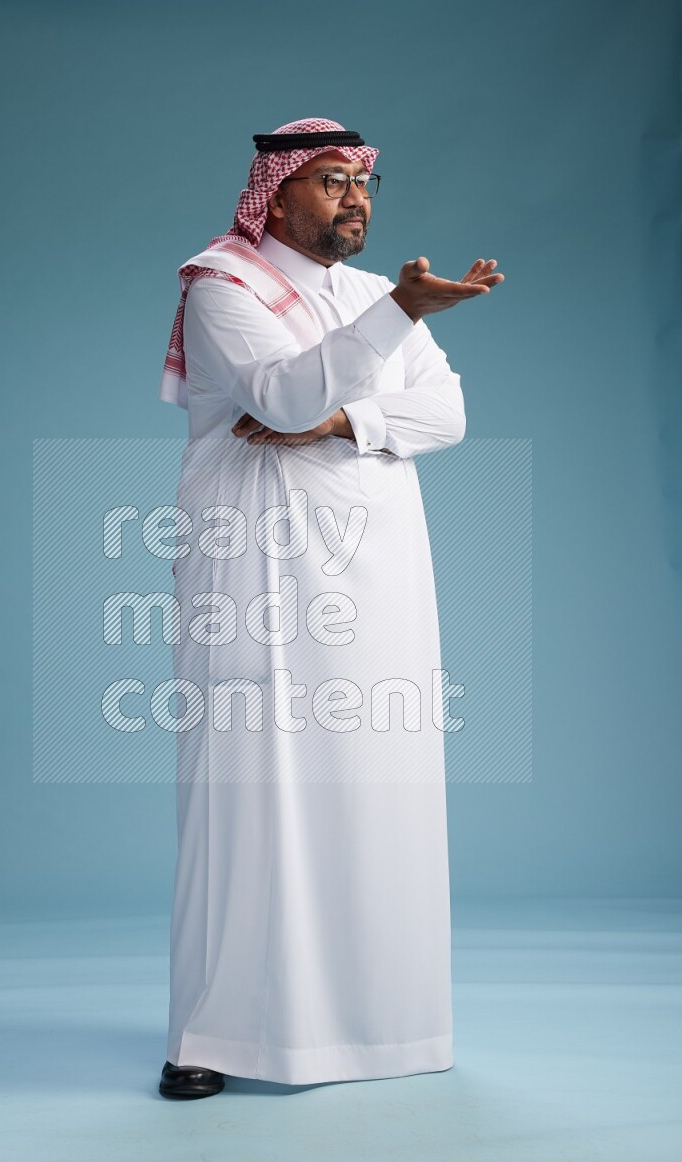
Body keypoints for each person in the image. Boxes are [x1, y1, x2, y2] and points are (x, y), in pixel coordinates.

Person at [156, 117, 504, 1100]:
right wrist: (389, 325)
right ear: (272, 189)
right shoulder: (221, 282)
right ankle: (211, 1034)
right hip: (254, 566)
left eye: (364, 182)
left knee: (374, 778)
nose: (354, 198)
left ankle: (373, 1027)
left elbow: (444, 413)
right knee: (250, 789)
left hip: (378, 564)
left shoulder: (370, 295)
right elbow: (277, 385)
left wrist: (350, 418)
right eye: (328, 181)